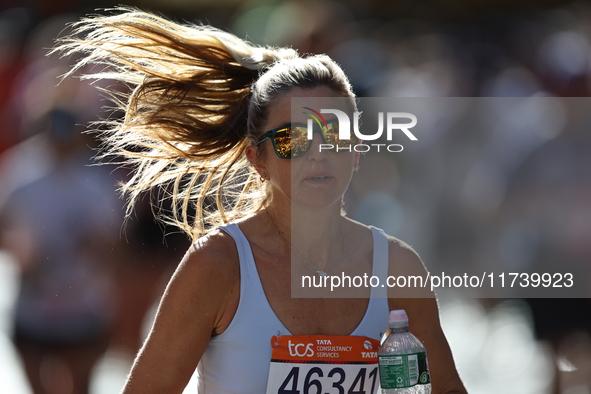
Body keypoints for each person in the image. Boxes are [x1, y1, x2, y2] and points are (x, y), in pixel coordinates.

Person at [55, 8, 467, 394]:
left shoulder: (397, 268)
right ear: (258, 159)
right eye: (292, 139)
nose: (317, 153)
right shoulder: (218, 266)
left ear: (357, 149)